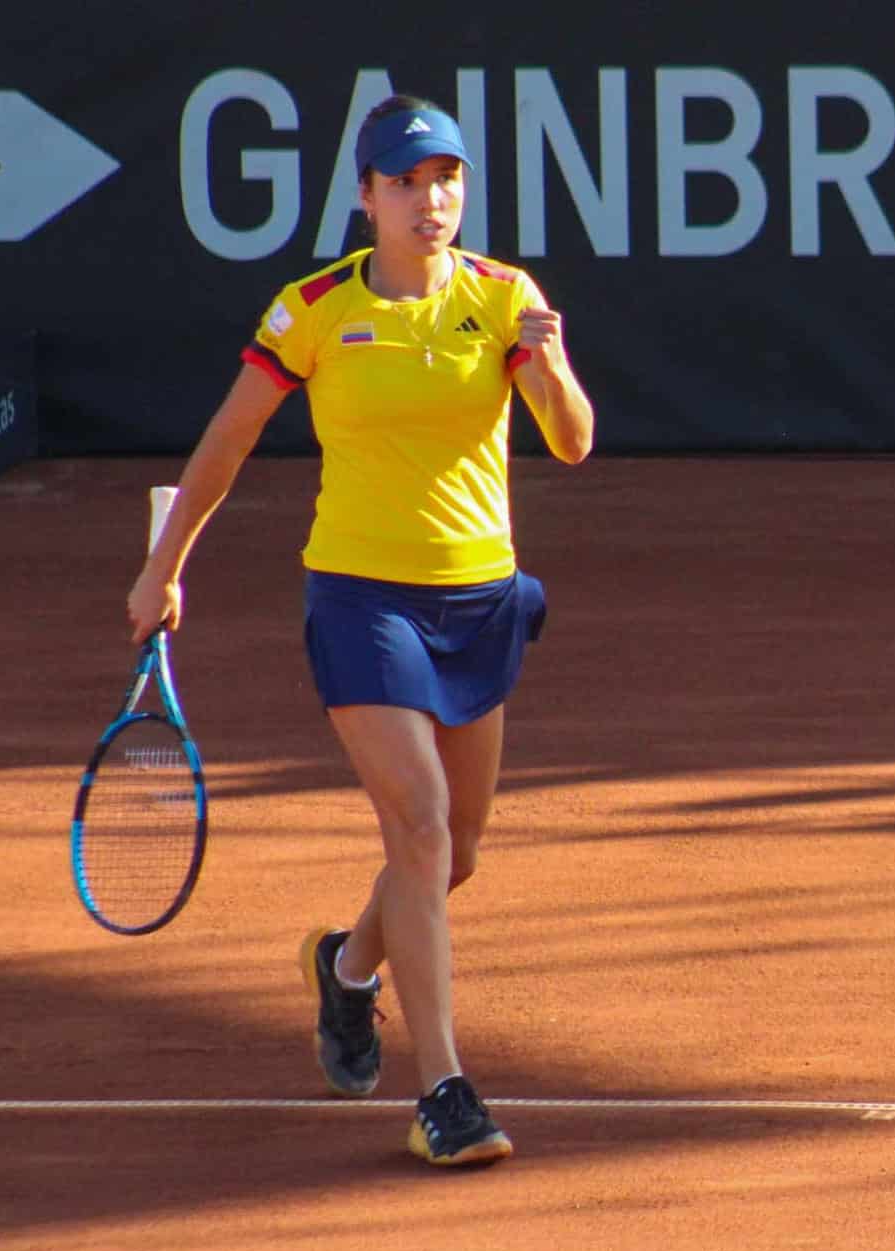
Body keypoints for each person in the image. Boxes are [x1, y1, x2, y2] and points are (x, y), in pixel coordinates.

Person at [126, 94, 594, 1167]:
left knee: (457, 852)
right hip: (362, 600)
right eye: (408, 184)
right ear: (367, 198)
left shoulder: (505, 298)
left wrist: (553, 363)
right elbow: (230, 438)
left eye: (448, 182)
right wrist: (164, 565)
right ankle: (446, 1091)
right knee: (421, 825)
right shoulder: (315, 310)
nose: (432, 203)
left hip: (479, 601)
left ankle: (345, 967)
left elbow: (571, 443)